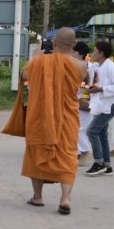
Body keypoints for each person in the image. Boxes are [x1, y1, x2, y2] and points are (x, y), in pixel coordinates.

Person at [21, 28, 86, 214]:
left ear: (54, 42)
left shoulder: (40, 61)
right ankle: (65, 199)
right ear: (74, 44)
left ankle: (38, 197)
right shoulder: (81, 66)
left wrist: (35, 57)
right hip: (68, 117)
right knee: (67, 154)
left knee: (37, 151)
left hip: (42, 116)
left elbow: (25, 76)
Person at [85, 40, 114, 177]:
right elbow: (93, 81)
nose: (93, 53)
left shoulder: (111, 67)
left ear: (101, 53)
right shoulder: (97, 66)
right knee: (101, 134)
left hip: (110, 104)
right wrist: (91, 89)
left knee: (91, 131)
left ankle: (98, 162)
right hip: (101, 104)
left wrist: (101, 89)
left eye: (95, 51)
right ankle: (107, 165)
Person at [73, 42, 95, 166]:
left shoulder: (85, 66)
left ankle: (86, 152)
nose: (72, 54)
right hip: (80, 99)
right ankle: (80, 152)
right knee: (78, 128)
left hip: (83, 100)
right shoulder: (84, 65)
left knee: (80, 128)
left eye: (74, 52)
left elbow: (86, 86)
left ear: (80, 53)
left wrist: (83, 100)